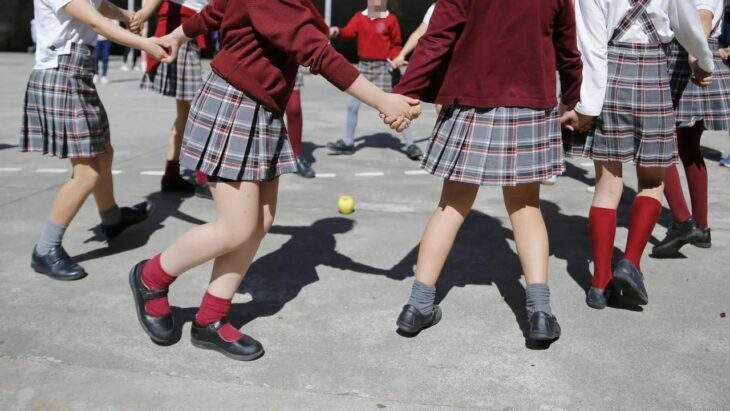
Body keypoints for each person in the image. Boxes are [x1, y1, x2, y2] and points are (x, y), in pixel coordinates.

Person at [127, 0, 420, 361]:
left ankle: (211, 319)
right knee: (235, 228)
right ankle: (150, 278)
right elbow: (318, 55)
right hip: (233, 103)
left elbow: (217, 10)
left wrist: (176, 36)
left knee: (260, 221)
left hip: (262, 109)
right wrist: (382, 101)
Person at [391, 0, 582, 342]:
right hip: (530, 102)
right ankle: (539, 314)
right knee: (526, 208)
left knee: (450, 205)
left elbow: (437, 36)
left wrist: (406, 93)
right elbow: (567, 47)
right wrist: (573, 95)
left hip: (469, 100)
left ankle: (416, 307)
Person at [563, 0, 713, 309]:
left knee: (607, 186)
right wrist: (705, 61)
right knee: (652, 181)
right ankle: (630, 262)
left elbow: (590, 44)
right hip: (655, 74)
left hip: (610, 75)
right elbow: (688, 25)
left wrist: (588, 106)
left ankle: (599, 282)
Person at [22, 0, 170, 281]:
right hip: (60, 78)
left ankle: (112, 219)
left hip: (76, 76)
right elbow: (95, 22)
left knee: (103, 152)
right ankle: (45, 249)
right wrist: (145, 44)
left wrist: (126, 14)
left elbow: (99, 5)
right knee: (87, 173)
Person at [653, 0, 730, 256]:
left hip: (688, 58)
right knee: (688, 146)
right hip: (692, 55)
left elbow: (703, 18)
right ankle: (702, 226)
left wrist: (696, 60)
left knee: (657, 145)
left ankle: (684, 221)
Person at [132, 0, 212, 198]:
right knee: (200, 111)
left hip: (186, 28)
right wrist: (146, 11)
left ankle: (172, 174)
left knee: (186, 113)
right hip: (182, 31)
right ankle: (204, 175)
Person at [326, 0, 424, 161]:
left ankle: (410, 145)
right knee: (352, 106)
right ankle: (348, 143)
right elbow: (348, 32)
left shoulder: (391, 19)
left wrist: (395, 59)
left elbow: (396, 44)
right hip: (364, 67)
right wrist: (336, 31)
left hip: (385, 68)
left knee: (399, 107)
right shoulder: (359, 17)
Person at [286, 1, 331, 179]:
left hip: (289, 61)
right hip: (257, 61)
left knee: (294, 109)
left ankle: (296, 156)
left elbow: (323, 28)